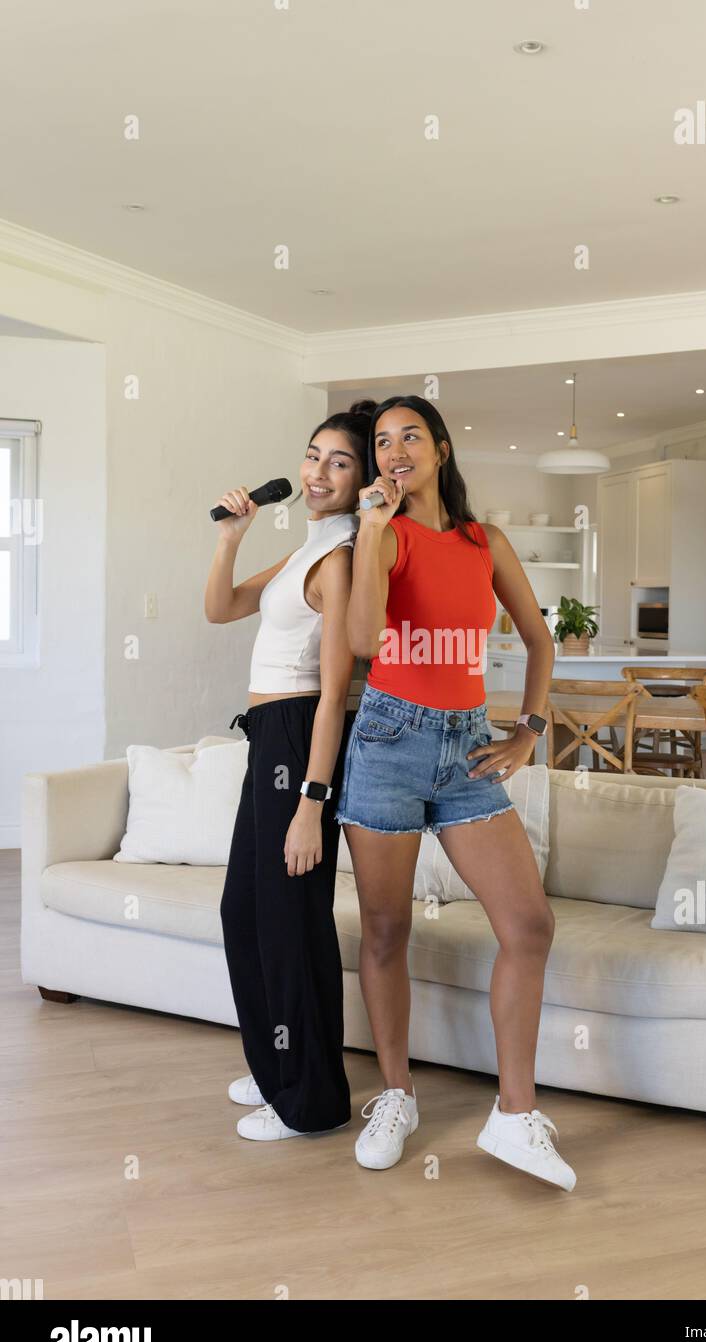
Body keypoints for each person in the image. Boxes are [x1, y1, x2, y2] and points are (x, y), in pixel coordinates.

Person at [336, 395, 575, 1191]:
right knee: (384, 929)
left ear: (439, 449)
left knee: (529, 925)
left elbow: (538, 638)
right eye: (381, 442)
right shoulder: (382, 533)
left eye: (410, 436)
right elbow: (365, 640)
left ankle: (512, 1116)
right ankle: (396, 1094)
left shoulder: (484, 540)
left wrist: (529, 729)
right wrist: (372, 527)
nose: (394, 450)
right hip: (388, 741)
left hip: (469, 745)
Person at [207, 400, 374, 1139]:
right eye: (313, 456)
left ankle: (309, 1100)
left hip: (300, 736)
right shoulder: (306, 549)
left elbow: (336, 692)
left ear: (361, 478)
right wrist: (230, 538)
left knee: (290, 924)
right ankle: (279, 1063)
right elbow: (222, 607)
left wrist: (312, 801)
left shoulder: (339, 560)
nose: (317, 472)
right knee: (244, 913)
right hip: (268, 734)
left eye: (339, 462)